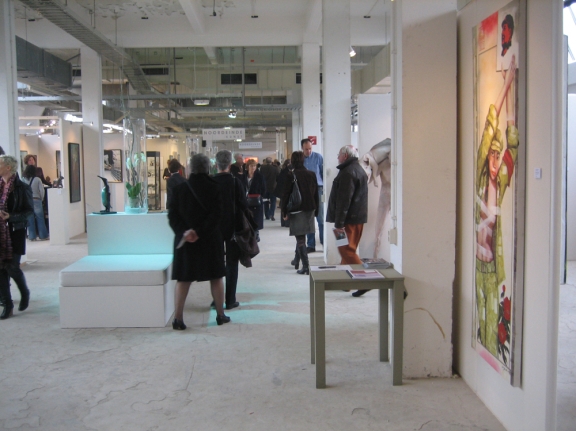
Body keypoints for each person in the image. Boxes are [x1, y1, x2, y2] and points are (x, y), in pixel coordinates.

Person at [475, 56, 518, 356]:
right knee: (482, 320)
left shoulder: (500, 182)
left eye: (497, 155)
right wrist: (505, 86)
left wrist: (511, 86)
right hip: (478, 265)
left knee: (492, 325)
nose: (494, 160)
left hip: (491, 267)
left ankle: (490, 358)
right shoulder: (480, 177)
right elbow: (491, 125)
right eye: (491, 154)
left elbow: (513, 144)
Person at [167, 154, 230, 330]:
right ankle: (220, 314)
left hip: (186, 241)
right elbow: (217, 216)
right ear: (208, 167)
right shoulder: (215, 188)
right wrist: (200, 232)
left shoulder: (179, 189)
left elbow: (172, 216)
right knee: (215, 277)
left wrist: (186, 232)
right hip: (210, 240)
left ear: (190, 168)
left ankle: (178, 319)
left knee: (184, 279)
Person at [326, 145, 369, 296]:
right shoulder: (357, 169)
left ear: (345, 156)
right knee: (347, 251)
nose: (337, 157)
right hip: (357, 218)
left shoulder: (348, 172)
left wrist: (339, 223)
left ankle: (365, 281)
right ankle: (347, 283)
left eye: (339, 154)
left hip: (348, 220)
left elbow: (344, 200)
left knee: (346, 250)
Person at [212, 150, 249, 309]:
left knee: (216, 264)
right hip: (233, 228)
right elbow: (243, 206)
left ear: (216, 164)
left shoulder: (211, 182)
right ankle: (230, 299)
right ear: (229, 164)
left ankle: (216, 298)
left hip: (214, 229)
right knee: (232, 263)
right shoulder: (235, 182)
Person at [0, 155, 34, 320]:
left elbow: (29, 211)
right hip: (0, 232)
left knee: (12, 267)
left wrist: (10, 217)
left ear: (8, 167)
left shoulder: (22, 187)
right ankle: (7, 304)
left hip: (15, 231)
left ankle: (24, 292)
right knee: (0, 269)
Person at [281, 151, 318, 275]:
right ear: (303, 160)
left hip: (297, 209)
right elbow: (316, 194)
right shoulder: (312, 174)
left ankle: (306, 266)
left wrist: (284, 211)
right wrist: (316, 210)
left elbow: (286, 194)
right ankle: (297, 259)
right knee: (302, 235)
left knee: (300, 238)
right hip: (310, 208)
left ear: (292, 161)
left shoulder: (291, 175)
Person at [301, 138, 324, 253]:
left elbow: (323, 173)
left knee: (321, 218)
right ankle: (311, 245)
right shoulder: (300, 159)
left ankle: (324, 242)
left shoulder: (318, 157)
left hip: (318, 189)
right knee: (309, 219)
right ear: (302, 148)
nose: (308, 151)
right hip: (305, 191)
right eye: (306, 149)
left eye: (310, 148)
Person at [21, 165, 49, 241]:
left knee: (30, 219)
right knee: (40, 218)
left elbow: (21, 191)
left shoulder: (23, 179)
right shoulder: (37, 179)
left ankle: (32, 236)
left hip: (27, 201)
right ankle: (43, 236)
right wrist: (41, 199)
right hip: (36, 199)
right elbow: (42, 190)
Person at [242, 159, 266, 242]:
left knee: (256, 219)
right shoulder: (243, 176)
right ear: (247, 167)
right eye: (251, 166)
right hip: (245, 201)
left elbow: (264, 189)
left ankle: (256, 235)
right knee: (247, 218)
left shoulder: (260, 176)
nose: (253, 168)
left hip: (256, 201)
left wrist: (259, 196)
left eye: (254, 166)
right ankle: (249, 234)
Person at [275, 160, 292, 227]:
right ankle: (287, 222)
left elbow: (278, 180)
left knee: (283, 206)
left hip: (282, 192)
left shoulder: (282, 171)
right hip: (286, 192)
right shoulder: (288, 172)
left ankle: (283, 222)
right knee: (287, 206)